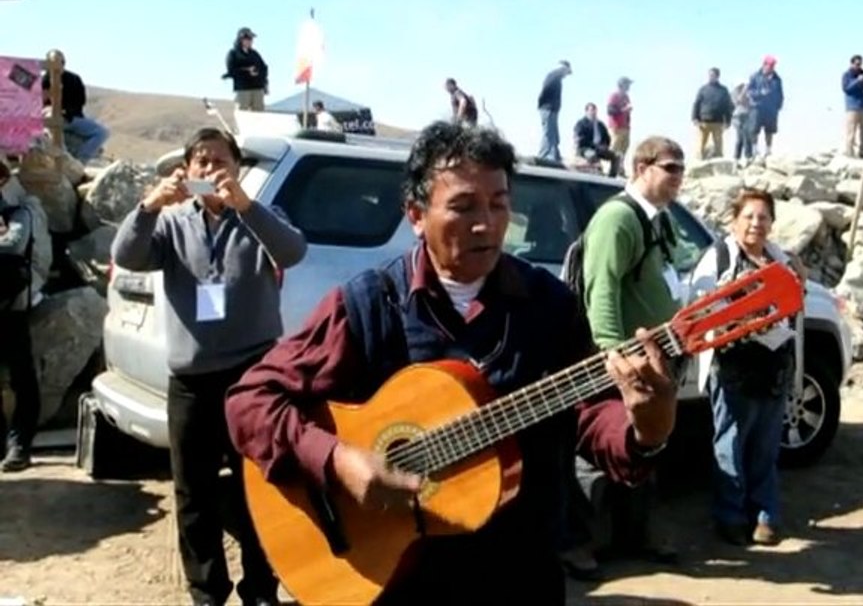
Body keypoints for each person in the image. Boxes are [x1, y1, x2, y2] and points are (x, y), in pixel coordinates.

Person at [224, 122, 679, 605]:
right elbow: (250, 401)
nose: (486, 224)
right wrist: (336, 460)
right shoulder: (369, 304)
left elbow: (592, 414)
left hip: (519, 572)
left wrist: (646, 429)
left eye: (499, 204)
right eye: (463, 207)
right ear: (416, 215)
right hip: (399, 580)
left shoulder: (549, 306)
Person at [111, 127, 307, 606]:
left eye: (220, 160)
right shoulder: (172, 224)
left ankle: (261, 589)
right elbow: (126, 255)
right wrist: (150, 205)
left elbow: (292, 251)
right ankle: (206, 593)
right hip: (191, 381)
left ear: (237, 167)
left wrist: (246, 206)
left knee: (258, 486)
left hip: (252, 376)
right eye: (202, 161)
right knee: (193, 494)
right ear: (187, 170)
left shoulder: (259, 216)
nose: (211, 169)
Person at [574, 136, 687, 565]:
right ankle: (585, 543)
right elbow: (601, 288)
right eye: (670, 167)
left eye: (682, 169)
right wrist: (611, 355)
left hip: (653, 357)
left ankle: (635, 536)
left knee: (646, 445)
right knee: (601, 451)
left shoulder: (658, 220)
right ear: (642, 167)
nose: (679, 176)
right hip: (621, 362)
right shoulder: (618, 218)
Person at [690, 189, 800, 546]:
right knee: (731, 441)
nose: (756, 224)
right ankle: (731, 516)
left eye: (763, 217)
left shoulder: (779, 259)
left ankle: (765, 515)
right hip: (732, 363)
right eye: (749, 216)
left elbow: (793, 303)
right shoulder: (718, 258)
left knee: (766, 444)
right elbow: (699, 305)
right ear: (734, 221)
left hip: (773, 364)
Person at [0, 157, 40, 472]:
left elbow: (12, 246)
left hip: (11, 309)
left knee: (22, 378)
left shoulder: (19, 213)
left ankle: (20, 443)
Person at [40, 49, 110, 163]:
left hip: (71, 117)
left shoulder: (74, 79)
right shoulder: (43, 80)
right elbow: (37, 102)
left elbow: (80, 101)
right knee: (50, 124)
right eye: (52, 62)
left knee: (102, 132)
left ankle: (80, 160)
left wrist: (65, 111)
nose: (57, 65)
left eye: (60, 62)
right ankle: (61, 159)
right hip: (50, 116)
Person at [691, 68, 734, 160]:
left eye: (713, 75)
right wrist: (694, 118)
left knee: (718, 146)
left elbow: (728, 106)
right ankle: (698, 161)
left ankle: (719, 162)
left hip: (718, 122)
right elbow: (696, 104)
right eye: (710, 75)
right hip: (704, 121)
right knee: (701, 145)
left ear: (717, 76)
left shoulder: (723, 90)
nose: (711, 77)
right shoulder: (703, 89)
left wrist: (728, 121)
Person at [746, 56, 784, 159]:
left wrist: (778, 105)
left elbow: (780, 94)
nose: (771, 68)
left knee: (770, 130)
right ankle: (755, 150)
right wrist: (760, 93)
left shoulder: (777, 79)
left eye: (773, 66)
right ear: (764, 65)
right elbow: (749, 92)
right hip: (757, 107)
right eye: (769, 65)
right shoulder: (755, 76)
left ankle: (768, 150)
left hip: (771, 109)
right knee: (754, 129)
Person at [223, 28, 269, 112]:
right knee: (242, 112)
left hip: (257, 88)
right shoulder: (233, 53)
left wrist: (262, 78)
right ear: (240, 39)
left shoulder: (255, 54)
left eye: (251, 39)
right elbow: (231, 71)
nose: (250, 41)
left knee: (259, 114)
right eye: (247, 38)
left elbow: (264, 68)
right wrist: (247, 71)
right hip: (243, 89)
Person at [537, 60, 572, 161]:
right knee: (549, 133)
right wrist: (545, 104)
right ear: (564, 69)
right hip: (548, 109)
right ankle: (545, 155)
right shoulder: (554, 76)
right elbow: (545, 90)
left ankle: (554, 155)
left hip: (551, 109)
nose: (566, 75)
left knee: (554, 133)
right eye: (567, 72)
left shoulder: (556, 78)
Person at [573, 102, 620, 177]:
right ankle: (597, 175)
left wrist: (604, 146)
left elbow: (607, 138)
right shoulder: (581, 124)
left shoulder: (600, 124)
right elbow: (580, 140)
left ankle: (612, 177)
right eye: (591, 110)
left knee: (616, 156)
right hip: (585, 149)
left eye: (595, 110)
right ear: (586, 111)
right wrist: (595, 146)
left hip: (599, 149)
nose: (593, 112)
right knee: (593, 155)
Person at [842, 54, 863, 158]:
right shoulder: (846, 75)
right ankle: (849, 152)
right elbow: (846, 89)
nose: (859, 66)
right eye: (857, 64)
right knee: (851, 131)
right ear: (852, 64)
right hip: (852, 107)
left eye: (860, 64)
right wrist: (857, 81)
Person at [606, 77, 633, 177]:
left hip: (625, 127)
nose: (629, 86)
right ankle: (609, 169)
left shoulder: (626, 97)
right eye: (627, 84)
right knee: (614, 148)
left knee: (623, 149)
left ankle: (620, 169)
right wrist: (623, 110)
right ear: (622, 85)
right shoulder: (614, 96)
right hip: (616, 127)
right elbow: (610, 111)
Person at [730, 82, 755, 166]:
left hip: (747, 116)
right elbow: (739, 101)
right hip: (738, 117)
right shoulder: (734, 93)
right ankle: (739, 158)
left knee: (746, 137)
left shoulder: (748, 94)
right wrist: (744, 91)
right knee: (741, 138)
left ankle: (746, 157)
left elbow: (751, 104)